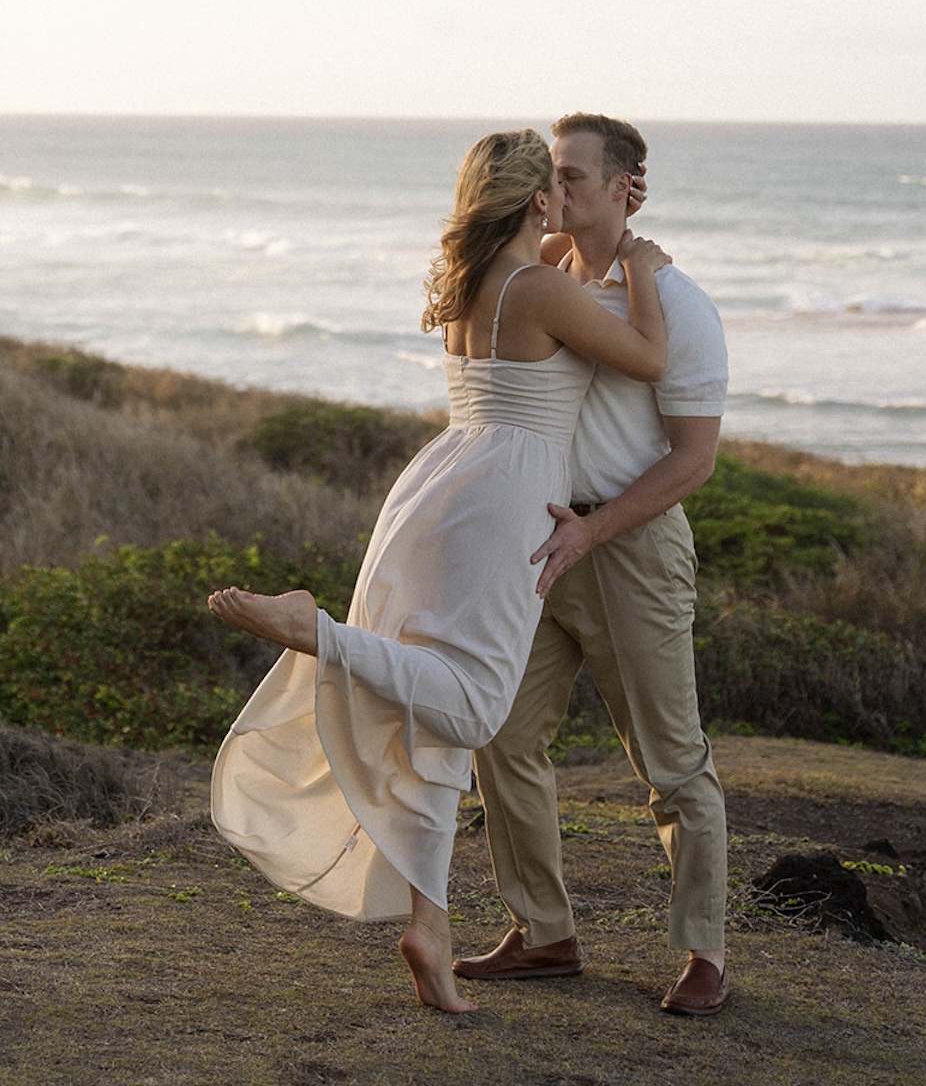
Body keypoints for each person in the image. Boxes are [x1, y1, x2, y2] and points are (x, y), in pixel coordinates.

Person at [207, 128, 672, 1014]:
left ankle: (430, 925)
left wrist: (593, 234)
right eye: (557, 190)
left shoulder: (471, 283)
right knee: (475, 704)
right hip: (506, 504)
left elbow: (554, 296)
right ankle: (318, 633)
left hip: (435, 490)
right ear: (539, 202)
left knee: (436, 728)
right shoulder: (538, 288)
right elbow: (648, 357)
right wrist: (641, 263)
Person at [455, 113, 731, 1017]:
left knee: (671, 763)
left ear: (626, 186)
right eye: (551, 176)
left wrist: (598, 528)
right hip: (538, 546)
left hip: (629, 552)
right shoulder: (546, 282)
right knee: (501, 733)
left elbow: (693, 460)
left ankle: (702, 954)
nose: (556, 189)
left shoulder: (676, 302)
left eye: (575, 175)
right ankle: (544, 933)